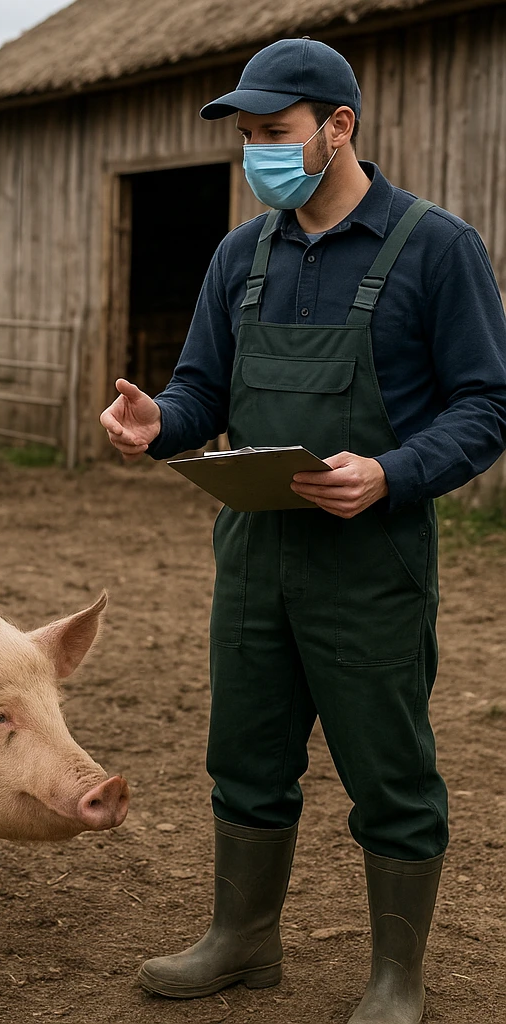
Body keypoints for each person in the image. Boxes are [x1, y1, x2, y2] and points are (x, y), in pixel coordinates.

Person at [99, 37, 506, 1024]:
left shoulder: (434, 247)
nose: (257, 156)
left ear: (338, 126)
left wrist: (392, 472)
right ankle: (242, 940)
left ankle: (396, 978)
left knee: (390, 769)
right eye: (246, 138)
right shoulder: (240, 253)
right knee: (242, 752)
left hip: (372, 561)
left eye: (273, 135)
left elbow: (485, 405)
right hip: (252, 554)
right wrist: (160, 421)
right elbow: (202, 387)